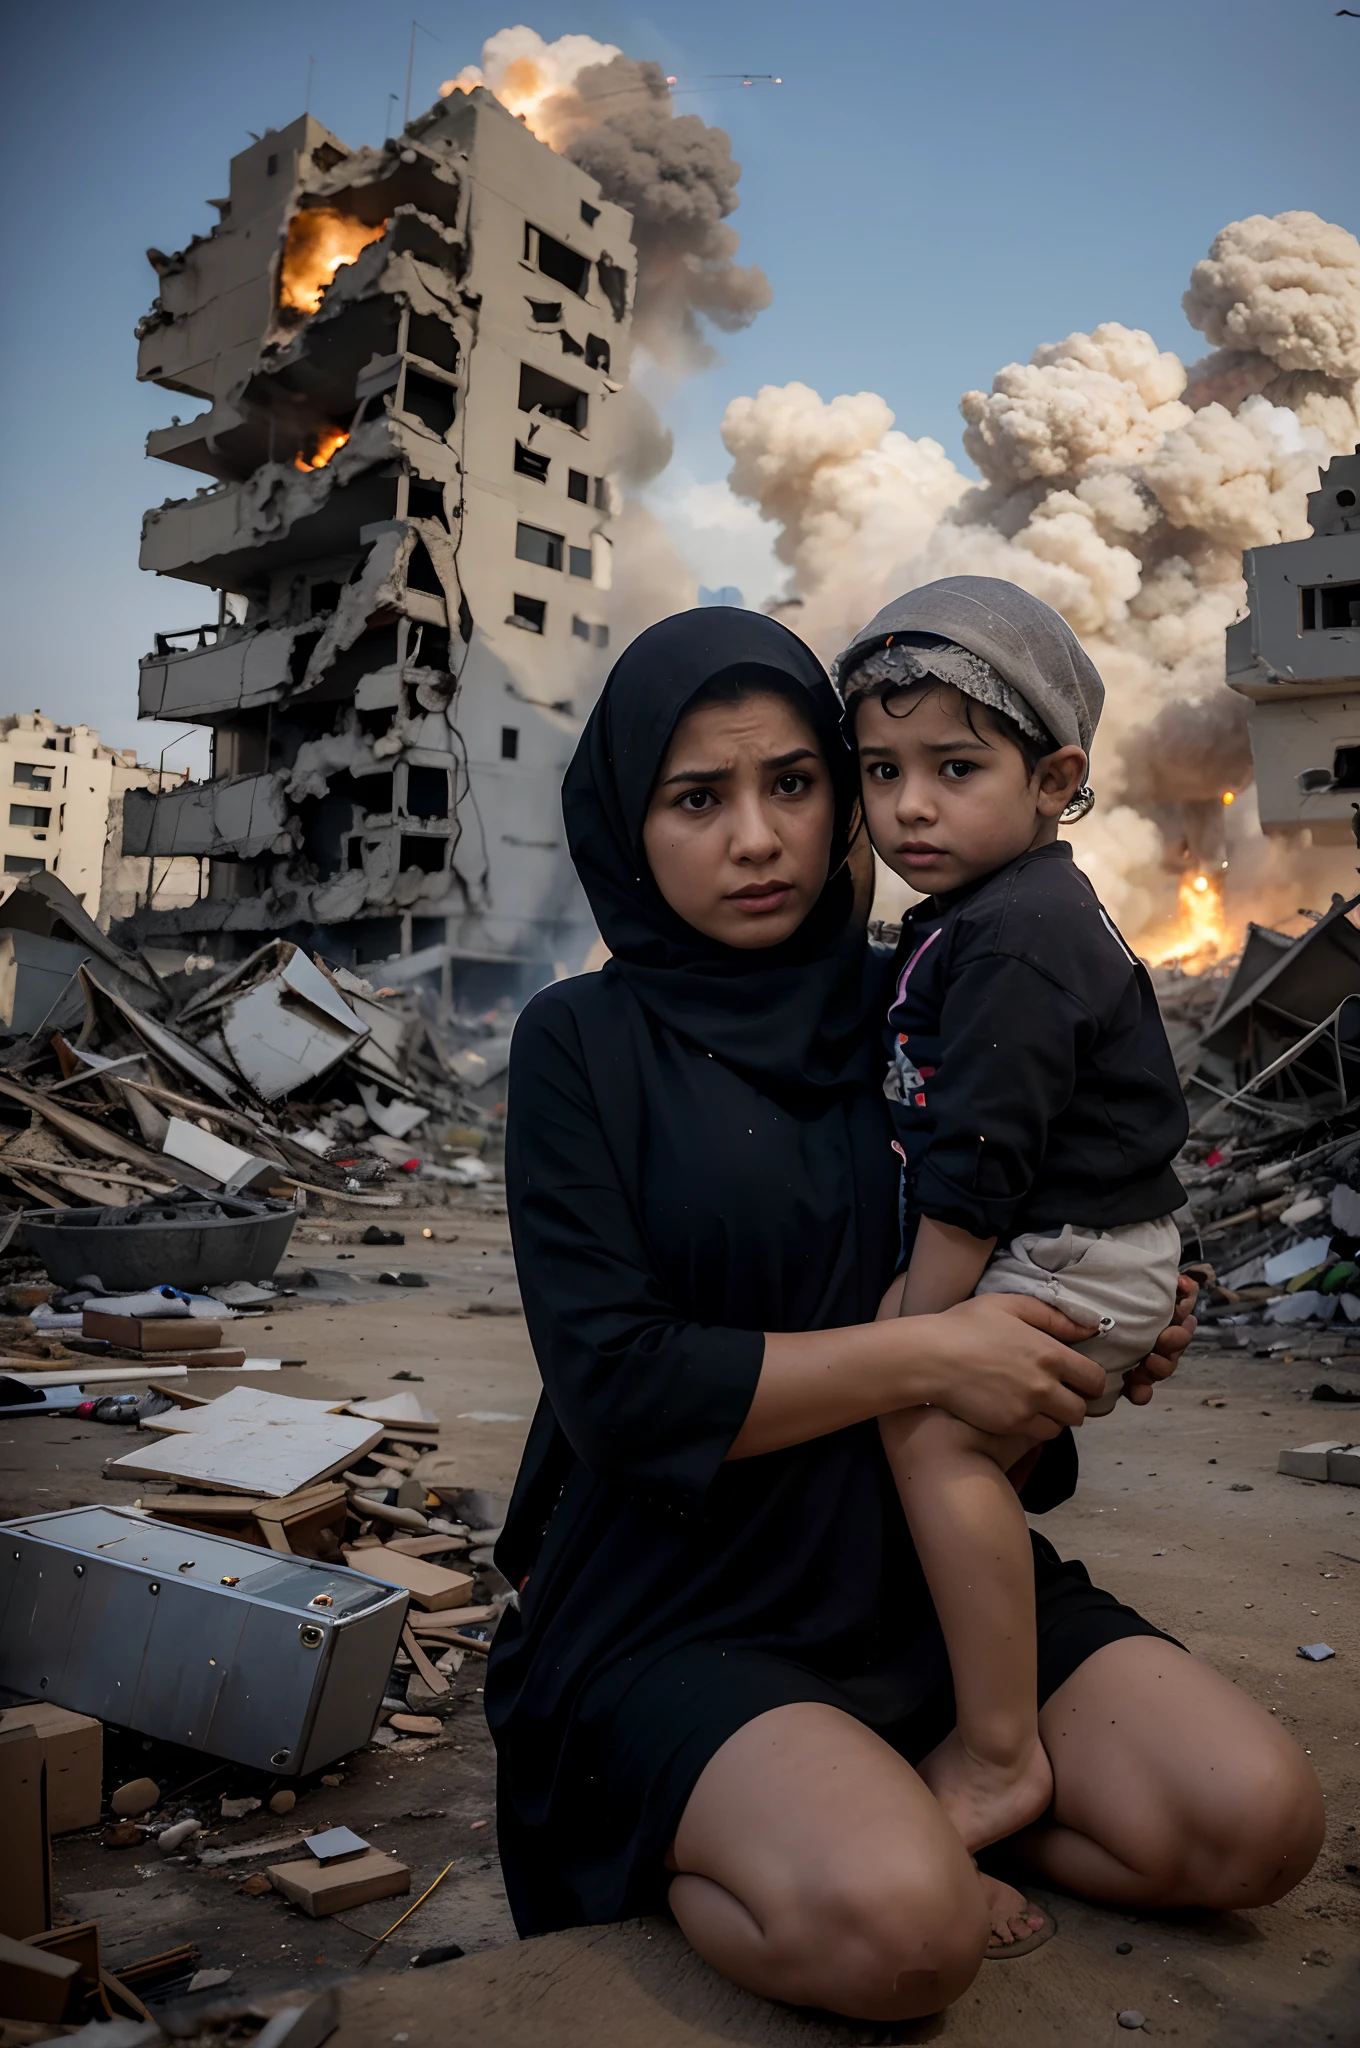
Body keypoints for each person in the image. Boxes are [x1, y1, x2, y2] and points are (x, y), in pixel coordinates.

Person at [485, 607, 1322, 2024]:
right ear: (631, 821)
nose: (757, 839)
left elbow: (1047, 1263)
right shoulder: (581, 1047)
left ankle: (904, 1809)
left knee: (1253, 1822)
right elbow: (622, 1386)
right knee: (903, 1943)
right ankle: (778, 1844)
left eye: (793, 785)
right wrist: (935, 1350)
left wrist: (1103, 1346)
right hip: (688, 1605)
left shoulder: (937, 996)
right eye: (698, 799)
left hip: (930, 1586)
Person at [836, 577, 1190, 1862]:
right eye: (879, 769)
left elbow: (978, 1163)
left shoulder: (1017, 935)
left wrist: (916, 1327)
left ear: (1054, 779)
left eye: (954, 766)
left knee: (928, 1433)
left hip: (1066, 1246)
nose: (908, 804)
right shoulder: (993, 911)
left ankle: (995, 1750)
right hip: (1106, 1242)